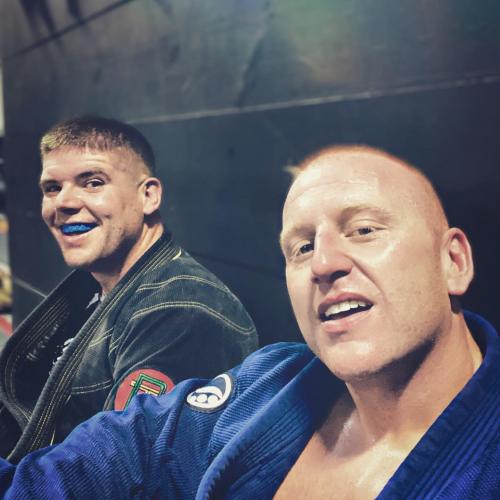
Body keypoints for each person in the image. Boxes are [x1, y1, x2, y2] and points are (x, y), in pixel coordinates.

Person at [0, 145, 498, 498]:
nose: (323, 263)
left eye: (364, 230)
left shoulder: (182, 310)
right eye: (301, 248)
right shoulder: (269, 384)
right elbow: (124, 450)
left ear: (453, 261)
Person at [0, 116, 258, 463]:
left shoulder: (179, 312)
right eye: (52, 188)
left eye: (93, 182)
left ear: (148, 196)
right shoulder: (97, 286)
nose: (63, 202)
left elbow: (121, 471)